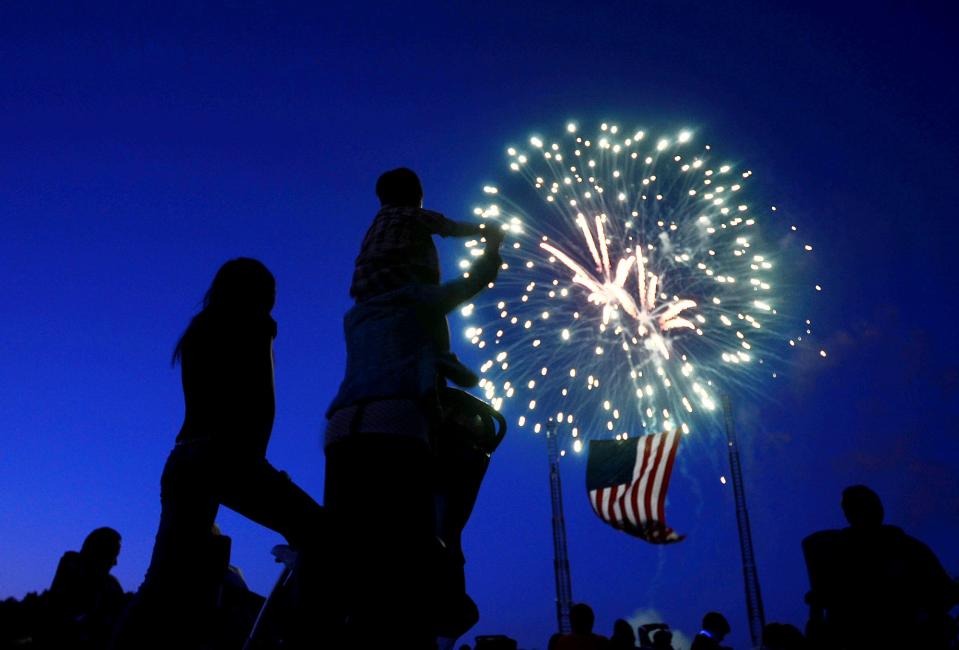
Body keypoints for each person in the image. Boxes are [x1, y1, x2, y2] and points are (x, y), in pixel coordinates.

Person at [114, 258, 327, 649]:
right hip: (226, 457)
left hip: (185, 458)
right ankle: (303, 637)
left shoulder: (199, 330)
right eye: (271, 293)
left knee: (162, 578)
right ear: (258, 293)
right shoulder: (255, 325)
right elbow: (262, 404)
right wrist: (259, 469)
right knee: (321, 535)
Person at [325, 216, 503, 649]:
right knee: (412, 547)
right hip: (396, 425)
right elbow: (474, 282)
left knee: (344, 545)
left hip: (343, 429)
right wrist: (491, 245)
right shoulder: (419, 300)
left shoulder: (357, 316)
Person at [350, 167, 491, 387]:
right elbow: (450, 227)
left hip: (367, 295)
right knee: (434, 312)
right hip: (406, 284)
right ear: (414, 195)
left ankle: (436, 357)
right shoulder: (412, 214)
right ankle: (442, 355)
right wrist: (484, 230)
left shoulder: (376, 225)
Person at [803, 485, 958, 649]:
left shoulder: (909, 548)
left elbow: (943, 596)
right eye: (854, 507)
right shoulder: (831, 548)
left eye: (867, 506)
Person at [42, 527, 128, 649]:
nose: (115, 563)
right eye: (112, 555)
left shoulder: (112, 585)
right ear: (100, 553)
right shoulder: (73, 569)